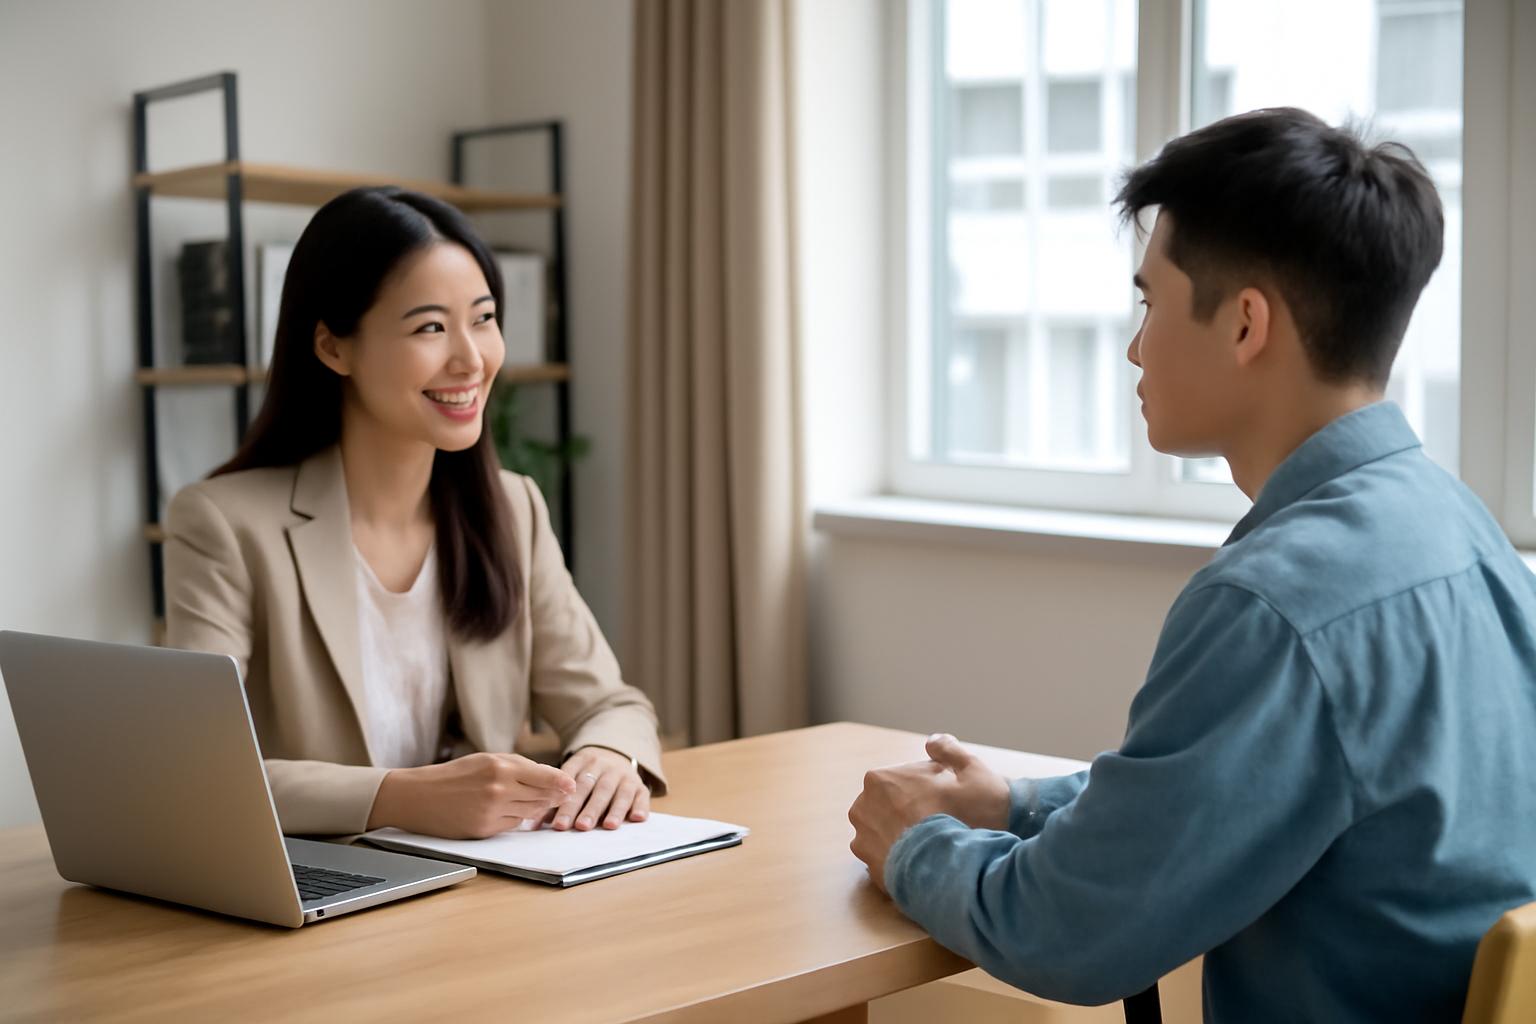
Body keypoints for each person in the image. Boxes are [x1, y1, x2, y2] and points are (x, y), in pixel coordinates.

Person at [847, 107, 1536, 1020]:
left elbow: (1069, 934)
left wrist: (913, 843)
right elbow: (1241, 786)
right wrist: (1016, 803)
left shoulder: (1280, 606)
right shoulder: (1462, 533)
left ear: (1246, 323)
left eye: (1150, 303)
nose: (1136, 348)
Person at [165, 187, 664, 840]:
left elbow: (609, 703)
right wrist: (399, 798)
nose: (471, 358)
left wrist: (607, 755)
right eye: (430, 327)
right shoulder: (223, 524)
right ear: (333, 347)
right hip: (310, 900)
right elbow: (199, 772)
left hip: (481, 892)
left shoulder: (513, 509)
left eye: (483, 319)